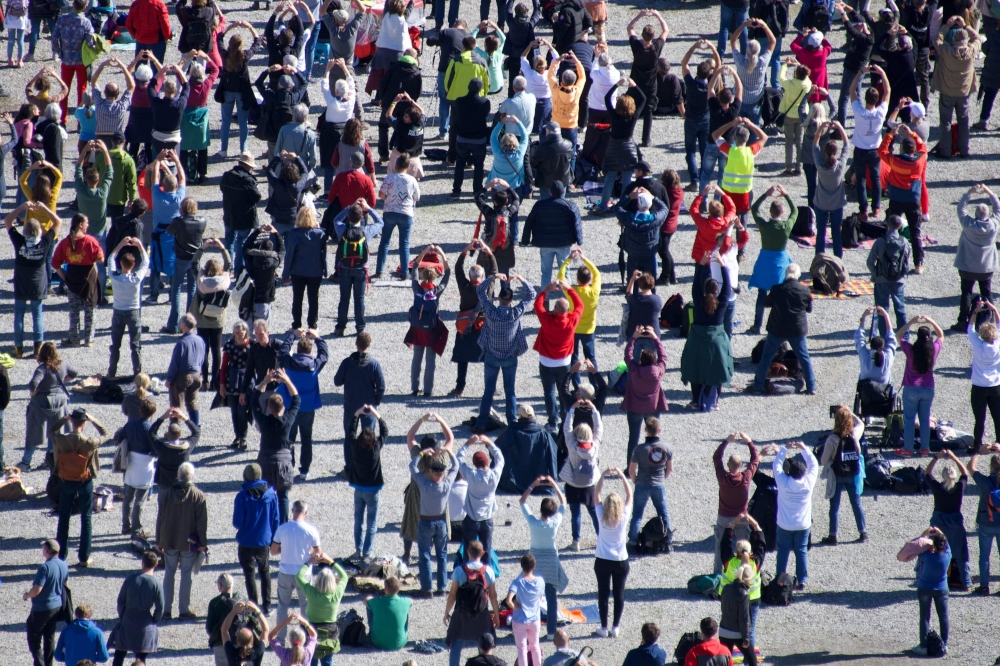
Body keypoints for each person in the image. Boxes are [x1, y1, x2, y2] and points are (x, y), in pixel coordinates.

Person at [475, 273, 537, 431]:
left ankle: (481, 423)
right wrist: (521, 279)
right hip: (510, 356)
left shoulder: (490, 311)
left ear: (499, 300)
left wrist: (493, 277)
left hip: (492, 355)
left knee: (488, 391)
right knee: (510, 391)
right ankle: (512, 423)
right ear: (511, 301)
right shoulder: (516, 313)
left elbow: (480, 291)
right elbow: (532, 294)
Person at [408, 414, 458, 595]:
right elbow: (451, 438)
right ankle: (442, 586)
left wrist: (421, 419)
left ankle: (427, 587)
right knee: (442, 555)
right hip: (441, 517)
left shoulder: (420, 465)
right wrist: (440, 419)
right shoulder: (444, 460)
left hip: (423, 514)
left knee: (424, 554)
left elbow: (410, 438)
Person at [747, 264, 816, 394]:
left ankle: (757, 385)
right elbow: (809, 309)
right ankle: (811, 387)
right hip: (797, 329)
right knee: (804, 357)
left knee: (766, 357)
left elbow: (766, 303)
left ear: (786, 274)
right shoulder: (805, 290)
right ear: (798, 275)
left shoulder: (777, 289)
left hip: (777, 328)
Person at [51, 407, 108, 566]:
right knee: (86, 518)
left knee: (64, 517)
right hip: (84, 481)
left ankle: (61, 555)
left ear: (72, 421)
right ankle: (84, 557)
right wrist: (93, 419)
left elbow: (51, 430)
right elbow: (106, 434)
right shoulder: (90, 442)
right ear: (84, 422)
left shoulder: (61, 439)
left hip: (66, 480)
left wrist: (64, 419)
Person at [5, 202, 60, 359]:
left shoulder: (19, 241)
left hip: (21, 282)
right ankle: (37, 349)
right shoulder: (44, 242)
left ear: (25, 231)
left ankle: (18, 348)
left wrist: (22, 208)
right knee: (37, 314)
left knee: (19, 315)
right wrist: (44, 209)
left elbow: (7, 220)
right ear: (39, 231)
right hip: (37, 283)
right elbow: (58, 222)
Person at [681, 255, 734, 408]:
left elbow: (696, 284)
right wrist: (722, 265)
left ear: (705, 290)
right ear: (717, 291)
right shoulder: (722, 302)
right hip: (717, 340)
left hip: (697, 337)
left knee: (695, 368)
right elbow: (728, 287)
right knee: (718, 369)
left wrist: (703, 265)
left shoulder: (698, 301)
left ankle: (695, 400)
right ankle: (715, 401)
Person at [157, 462, 207, 620]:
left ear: (178, 476)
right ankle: (183, 610)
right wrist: (203, 544)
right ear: (192, 476)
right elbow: (201, 523)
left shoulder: (165, 494)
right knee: (186, 574)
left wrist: (159, 539)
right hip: (189, 543)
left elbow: (160, 518)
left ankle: (166, 610)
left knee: (169, 573)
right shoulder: (198, 495)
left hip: (169, 540)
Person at [520, 476, 567, 640]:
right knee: (551, 598)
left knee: (533, 597)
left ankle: (532, 628)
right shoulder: (555, 523)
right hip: (551, 560)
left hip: (535, 560)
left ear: (541, 510)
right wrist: (554, 483)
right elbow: (563, 503)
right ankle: (551, 632)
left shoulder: (534, 522)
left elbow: (522, 502)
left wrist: (533, 484)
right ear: (552, 512)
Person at [277, 327, 328, 481]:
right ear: (310, 351)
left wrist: (293, 335)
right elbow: (324, 355)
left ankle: (289, 467)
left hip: (291, 406)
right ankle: (304, 470)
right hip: (308, 408)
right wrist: (318, 337)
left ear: (297, 350)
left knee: (288, 438)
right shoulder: (314, 366)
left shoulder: (289, 363)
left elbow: (283, 351)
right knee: (306, 439)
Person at [768, 440, 819, 589]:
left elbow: (776, 465)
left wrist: (784, 449)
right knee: (801, 551)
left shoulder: (783, 482)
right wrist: (804, 448)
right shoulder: (808, 483)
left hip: (784, 523)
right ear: (804, 472)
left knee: (782, 551)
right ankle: (802, 580)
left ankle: (780, 578)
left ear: (789, 471)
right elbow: (814, 464)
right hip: (803, 524)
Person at [252, 368, 300, 523]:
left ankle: (266, 523)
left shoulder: (264, 421)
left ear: (270, 408)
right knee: (283, 497)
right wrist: (286, 379)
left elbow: (254, 399)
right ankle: (284, 525)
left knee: (266, 495)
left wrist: (265, 381)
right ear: (282, 407)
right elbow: (297, 399)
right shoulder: (287, 421)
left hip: (266, 460)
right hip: (283, 461)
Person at [878, 124, 928, 272]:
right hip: (912, 200)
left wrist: (890, 135)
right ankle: (918, 264)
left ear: (903, 149)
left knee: (892, 229)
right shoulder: (919, 161)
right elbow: (924, 148)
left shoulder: (895, 161)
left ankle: (888, 260)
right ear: (913, 150)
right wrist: (912, 133)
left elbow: (881, 151)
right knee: (915, 232)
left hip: (896, 198)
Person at [334, 331, 386, 473]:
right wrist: (376, 401)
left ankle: (350, 469)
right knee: (369, 440)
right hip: (369, 408)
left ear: (356, 343)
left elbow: (337, 381)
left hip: (351, 407)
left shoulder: (347, 363)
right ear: (369, 345)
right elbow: (381, 387)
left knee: (349, 436)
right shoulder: (374, 364)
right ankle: (367, 468)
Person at [746, 186, 795, 335]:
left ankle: (757, 326)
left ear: (770, 212)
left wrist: (765, 195)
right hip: (781, 263)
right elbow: (795, 211)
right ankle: (777, 327)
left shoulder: (765, 226)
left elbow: (754, 209)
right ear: (782, 212)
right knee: (780, 296)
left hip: (765, 262)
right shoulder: (786, 226)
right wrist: (786, 195)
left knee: (762, 294)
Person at [443, 540, 501, 666]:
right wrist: (496, 614)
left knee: (457, 642)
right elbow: (493, 595)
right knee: (482, 642)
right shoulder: (489, 571)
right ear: (483, 553)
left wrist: (447, 612)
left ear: (467, 552)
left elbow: (452, 595)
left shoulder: (459, 571)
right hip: (481, 612)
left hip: (461, 611)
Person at [22, 343, 78, 470]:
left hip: (42, 403)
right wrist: (64, 380)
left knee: (34, 431)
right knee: (55, 432)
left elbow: (32, 385)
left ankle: (26, 462)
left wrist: (34, 393)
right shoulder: (63, 364)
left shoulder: (42, 369)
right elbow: (75, 372)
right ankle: (50, 460)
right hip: (59, 402)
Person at [952, 184, 999, 331]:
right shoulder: (993, 225)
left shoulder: (968, 224)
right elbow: (998, 207)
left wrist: (969, 193)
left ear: (976, 214)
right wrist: (989, 192)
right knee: (987, 292)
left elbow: (960, 208)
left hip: (967, 266)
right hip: (986, 267)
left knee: (966, 293)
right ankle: (990, 322)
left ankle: (962, 322)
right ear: (987, 215)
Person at [270, 499, 321, 637]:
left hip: (285, 573)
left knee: (282, 606)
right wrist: (308, 553)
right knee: (305, 606)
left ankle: (280, 639)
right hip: (303, 574)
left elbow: (273, 551)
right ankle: (303, 636)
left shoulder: (282, 528)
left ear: (292, 511)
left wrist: (286, 549)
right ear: (306, 512)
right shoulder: (311, 530)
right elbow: (318, 554)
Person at [233, 463, 279, 615]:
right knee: (265, 571)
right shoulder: (271, 495)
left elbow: (237, 522)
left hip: (246, 541)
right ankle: (267, 606)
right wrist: (274, 538)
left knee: (249, 573)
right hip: (263, 541)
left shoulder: (242, 496)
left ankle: (253, 606)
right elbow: (276, 519)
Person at [897, 527, 951, 656]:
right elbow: (945, 542)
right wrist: (940, 532)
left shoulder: (926, 556)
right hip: (942, 589)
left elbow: (917, 545)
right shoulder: (948, 554)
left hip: (925, 588)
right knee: (943, 617)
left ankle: (923, 646)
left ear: (933, 545)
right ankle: (944, 644)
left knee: (925, 617)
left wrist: (925, 534)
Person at [332, 202, 383, 336]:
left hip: (344, 268)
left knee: (344, 299)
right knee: (359, 299)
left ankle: (340, 328)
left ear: (348, 216)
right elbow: (380, 222)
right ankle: (360, 328)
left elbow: (335, 219)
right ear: (362, 217)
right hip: (361, 270)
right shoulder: (366, 231)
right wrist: (369, 209)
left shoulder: (342, 229)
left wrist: (348, 207)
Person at [51, 214, 103, 347]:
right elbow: (101, 258)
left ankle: (74, 339)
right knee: (89, 309)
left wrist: (64, 277)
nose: (88, 225)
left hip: (72, 278)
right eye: (86, 222)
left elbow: (55, 263)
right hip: (88, 278)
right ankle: (88, 339)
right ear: (80, 224)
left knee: (74, 311)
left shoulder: (65, 243)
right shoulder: (90, 241)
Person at [895, 315, 944, 456]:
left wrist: (911, 322)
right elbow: (941, 335)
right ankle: (924, 448)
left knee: (909, 420)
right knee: (925, 419)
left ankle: (908, 449)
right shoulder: (933, 350)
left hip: (911, 388)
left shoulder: (910, 350)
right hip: (928, 388)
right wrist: (931, 320)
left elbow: (898, 335)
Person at [819, 406, 869, 545]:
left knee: (834, 506)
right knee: (856, 503)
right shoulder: (854, 435)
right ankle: (863, 532)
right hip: (852, 474)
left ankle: (833, 536)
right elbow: (861, 423)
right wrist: (848, 411)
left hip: (837, 474)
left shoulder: (832, 439)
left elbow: (823, 461)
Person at [593, 467, 632, 638]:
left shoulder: (601, 515)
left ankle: (603, 626)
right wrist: (623, 476)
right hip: (620, 560)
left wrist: (602, 476)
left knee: (603, 593)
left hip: (602, 559)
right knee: (619, 593)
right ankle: (615, 626)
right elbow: (630, 495)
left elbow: (596, 494)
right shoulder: (623, 516)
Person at [932, 16, 979, 158]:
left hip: (947, 91)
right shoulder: (971, 51)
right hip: (964, 92)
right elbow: (977, 38)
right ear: (965, 41)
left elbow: (936, 40)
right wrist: (966, 26)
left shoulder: (946, 51)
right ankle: (964, 151)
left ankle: (945, 152)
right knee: (964, 121)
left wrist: (946, 25)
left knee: (945, 121)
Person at [926, 450, 973, 590]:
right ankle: (966, 583)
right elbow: (965, 473)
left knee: (932, 549)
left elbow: (927, 473)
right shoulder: (959, 488)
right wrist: (954, 457)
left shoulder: (938, 488)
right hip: (955, 523)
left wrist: (936, 457)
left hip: (939, 522)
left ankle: (927, 579)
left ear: (943, 476)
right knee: (960, 553)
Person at [848, 65, 890, 222]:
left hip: (860, 148)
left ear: (865, 98)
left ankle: (864, 210)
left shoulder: (859, 112)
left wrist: (860, 72)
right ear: (876, 99)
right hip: (875, 150)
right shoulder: (881, 113)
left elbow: (852, 91)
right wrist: (882, 73)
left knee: (860, 179)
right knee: (876, 178)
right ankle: (877, 208)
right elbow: (887, 92)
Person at [713, 433, 759, 574]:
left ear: (728, 465)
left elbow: (716, 457)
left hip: (724, 517)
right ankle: (744, 573)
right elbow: (756, 459)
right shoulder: (746, 478)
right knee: (744, 548)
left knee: (720, 547)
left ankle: (718, 575)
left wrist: (727, 440)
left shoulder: (723, 477)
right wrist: (749, 441)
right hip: (742, 518)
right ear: (742, 465)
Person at [216, 21, 265, 156]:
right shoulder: (245, 57)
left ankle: (223, 150)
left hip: (226, 92)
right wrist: (249, 26)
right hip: (242, 94)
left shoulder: (225, 55)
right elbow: (257, 42)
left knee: (225, 121)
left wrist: (231, 26)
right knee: (243, 122)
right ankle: (243, 149)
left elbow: (218, 38)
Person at [621, 327, 668, 464]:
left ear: (640, 360)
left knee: (633, 438)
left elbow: (628, 355)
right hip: (653, 408)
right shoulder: (658, 370)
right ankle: (654, 463)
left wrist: (634, 337)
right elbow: (663, 356)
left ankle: (630, 468)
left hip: (635, 408)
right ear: (654, 360)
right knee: (654, 437)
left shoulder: (635, 370)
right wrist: (655, 338)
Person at [108, 549, 163, 666]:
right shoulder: (156, 584)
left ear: (142, 563)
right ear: (156, 564)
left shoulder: (130, 579)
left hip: (127, 620)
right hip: (145, 623)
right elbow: (160, 608)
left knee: (119, 653)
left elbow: (120, 601)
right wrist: (154, 620)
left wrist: (123, 615)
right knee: (140, 659)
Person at [189, 239, 231, 389]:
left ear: (206, 270)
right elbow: (229, 265)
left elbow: (194, 264)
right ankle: (215, 381)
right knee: (216, 350)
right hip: (218, 321)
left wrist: (203, 247)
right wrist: (222, 247)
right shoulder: (225, 281)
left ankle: (205, 379)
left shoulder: (201, 282)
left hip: (201, 320)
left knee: (203, 350)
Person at [348, 404, 388, 560]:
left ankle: (358, 550)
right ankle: (367, 552)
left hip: (358, 488)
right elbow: (385, 431)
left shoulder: (354, 446)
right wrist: (376, 414)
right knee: (372, 522)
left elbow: (350, 431)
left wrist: (357, 414)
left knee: (358, 520)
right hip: (373, 489)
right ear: (373, 439)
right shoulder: (375, 448)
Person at [626, 417, 674, 548]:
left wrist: (635, 480)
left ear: (645, 430)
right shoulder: (667, 448)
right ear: (660, 430)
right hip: (659, 484)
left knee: (637, 515)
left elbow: (631, 470)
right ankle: (668, 540)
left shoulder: (639, 449)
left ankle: (633, 541)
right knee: (663, 513)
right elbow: (670, 469)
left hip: (642, 484)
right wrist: (662, 479)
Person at [457, 434, 505, 564]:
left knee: (469, 550)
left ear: (474, 464)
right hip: (487, 520)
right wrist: (489, 443)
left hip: (472, 518)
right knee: (486, 550)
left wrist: (467, 443)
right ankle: (486, 578)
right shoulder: (494, 475)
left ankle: (468, 575)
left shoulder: (471, 475)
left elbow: (458, 460)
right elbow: (500, 458)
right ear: (487, 462)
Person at [296, 553, 347, 666]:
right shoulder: (336, 594)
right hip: (331, 630)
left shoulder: (312, 592)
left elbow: (299, 576)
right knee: (327, 660)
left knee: (311, 658)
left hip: (311, 629)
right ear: (333, 581)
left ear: (318, 580)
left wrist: (308, 563)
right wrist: (331, 562)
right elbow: (344, 576)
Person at [375, 151, 421, 278]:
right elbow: (417, 198)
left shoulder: (389, 178)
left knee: (384, 242)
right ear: (408, 166)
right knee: (404, 243)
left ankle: (379, 270)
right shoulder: (412, 180)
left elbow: (381, 194)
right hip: (406, 214)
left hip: (389, 212)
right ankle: (405, 272)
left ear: (396, 164)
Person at [25, 539, 69, 666]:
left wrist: (26, 595)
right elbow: (66, 586)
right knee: (49, 638)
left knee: (34, 638)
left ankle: (40, 663)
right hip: (57, 606)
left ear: (46, 551)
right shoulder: (64, 565)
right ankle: (49, 663)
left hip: (42, 608)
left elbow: (37, 589)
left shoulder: (44, 568)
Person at [866, 215, 911, 336]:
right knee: (900, 309)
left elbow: (870, 262)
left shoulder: (880, 241)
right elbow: (907, 265)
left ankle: (884, 338)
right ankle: (904, 337)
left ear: (887, 225)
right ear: (900, 226)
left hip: (881, 279)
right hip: (899, 280)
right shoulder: (905, 242)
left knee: (882, 310)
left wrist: (876, 273)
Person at [52, 0, 96, 123]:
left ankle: (62, 119)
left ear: (73, 5)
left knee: (64, 89)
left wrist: (58, 51)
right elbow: (89, 42)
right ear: (85, 7)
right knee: (81, 89)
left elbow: (54, 37)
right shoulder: (86, 22)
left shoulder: (62, 19)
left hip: (66, 59)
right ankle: (80, 121)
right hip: (81, 60)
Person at [220, 152, 262, 276]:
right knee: (241, 242)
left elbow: (223, 189)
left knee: (229, 241)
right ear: (248, 166)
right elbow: (257, 197)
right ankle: (238, 270)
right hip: (244, 218)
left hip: (229, 215)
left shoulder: (226, 176)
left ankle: (227, 267)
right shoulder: (248, 180)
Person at [969, 442, 1000, 594]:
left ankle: (984, 586)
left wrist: (979, 452)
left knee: (984, 556)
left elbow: (971, 467)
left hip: (986, 522)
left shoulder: (984, 482)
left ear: (991, 467)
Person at [165, 313, 206, 425]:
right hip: (197, 374)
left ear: (183, 325)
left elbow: (175, 363)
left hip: (183, 376)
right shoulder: (200, 340)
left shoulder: (181, 343)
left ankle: (174, 431)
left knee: (176, 405)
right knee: (192, 402)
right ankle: (195, 428)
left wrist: (169, 379)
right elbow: (203, 358)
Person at [505, 553, 546, 666]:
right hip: (534, 619)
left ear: (522, 566)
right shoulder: (540, 581)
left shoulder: (517, 582)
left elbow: (508, 600)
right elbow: (541, 598)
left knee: (522, 649)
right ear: (534, 566)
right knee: (535, 646)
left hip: (519, 619)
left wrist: (514, 605)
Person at [220, 322, 252, 450]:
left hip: (246, 380)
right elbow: (224, 367)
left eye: (239, 333)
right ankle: (237, 436)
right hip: (231, 381)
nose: (237, 335)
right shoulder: (229, 345)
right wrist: (222, 385)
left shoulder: (251, 346)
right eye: (235, 333)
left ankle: (243, 437)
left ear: (246, 332)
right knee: (234, 410)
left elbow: (254, 366)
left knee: (242, 410)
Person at [778, 60, 813, 173]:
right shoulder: (807, 84)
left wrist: (785, 65)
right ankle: (798, 167)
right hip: (802, 115)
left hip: (789, 115)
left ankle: (788, 167)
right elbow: (807, 78)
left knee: (788, 141)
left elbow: (781, 77)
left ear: (796, 74)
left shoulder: (789, 84)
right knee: (799, 141)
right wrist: (799, 65)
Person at [717, 564, 756, 665]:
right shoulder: (743, 594)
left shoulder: (726, 588)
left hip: (723, 631)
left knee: (725, 662)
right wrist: (746, 639)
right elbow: (744, 618)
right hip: (737, 633)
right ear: (748, 579)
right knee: (752, 661)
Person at [366, 577, 412, 651]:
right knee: (406, 610)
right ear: (398, 589)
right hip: (400, 643)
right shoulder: (405, 602)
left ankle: (373, 632)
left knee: (369, 606)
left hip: (377, 642)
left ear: (385, 589)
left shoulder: (377, 602)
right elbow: (411, 601)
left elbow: (366, 600)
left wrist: (370, 597)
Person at [220, 599, 270, 666]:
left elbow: (224, 631)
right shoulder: (257, 653)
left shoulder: (232, 654)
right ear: (252, 641)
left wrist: (234, 611)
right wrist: (256, 610)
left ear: (237, 640)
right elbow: (266, 630)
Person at [857, 307, 897, 384]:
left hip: (865, 394)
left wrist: (864, 317)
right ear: (884, 347)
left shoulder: (865, 357)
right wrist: (886, 316)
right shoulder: (887, 358)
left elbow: (859, 339)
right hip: (883, 394)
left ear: (870, 346)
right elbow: (892, 339)